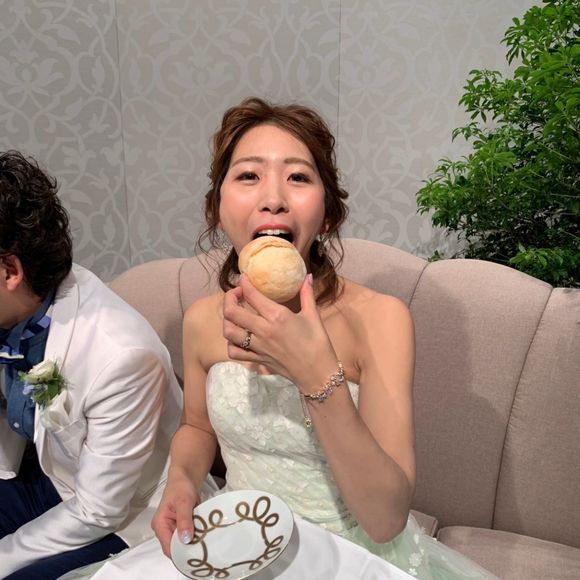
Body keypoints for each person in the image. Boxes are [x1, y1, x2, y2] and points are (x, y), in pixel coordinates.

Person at [151, 97, 498, 579]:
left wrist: (315, 375)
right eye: (248, 175)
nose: (274, 197)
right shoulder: (203, 320)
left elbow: (386, 519)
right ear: (218, 210)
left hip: (349, 558)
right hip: (238, 549)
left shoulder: (380, 319)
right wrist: (182, 480)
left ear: (328, 215)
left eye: (298, 176)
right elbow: (197, 427)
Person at [0, 150, 185, 579]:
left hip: (124, 513)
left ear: (10, 271)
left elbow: (98, 509)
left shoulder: (122, 356)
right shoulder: (19, 306)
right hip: (46, 473)